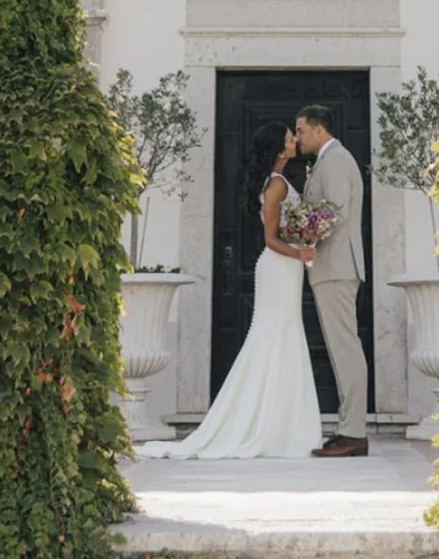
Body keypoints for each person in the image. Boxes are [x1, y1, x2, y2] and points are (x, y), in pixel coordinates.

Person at [136, 122, 322, 460]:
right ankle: (270, 426)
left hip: (286, 268)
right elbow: (270, 239)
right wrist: (300, 253)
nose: (294, 140)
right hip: (279, 267)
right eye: (289, 137)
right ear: (279, 149)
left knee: (282, 335)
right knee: (275, 335)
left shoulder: (277, 181)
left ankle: (280, 422)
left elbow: (284, 230)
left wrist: (304, 237)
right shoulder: (277, 184)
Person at [295, 104, 368, 458]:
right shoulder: (328, 160)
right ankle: (348, 429)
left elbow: (333, 212)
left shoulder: (336, 160)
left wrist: (304, 235)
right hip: (331, 267)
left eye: (301, 131)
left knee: (345, 349)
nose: (298, 138)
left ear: (319, 130)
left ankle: (353, 433)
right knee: (341, 349)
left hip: (337, 266)